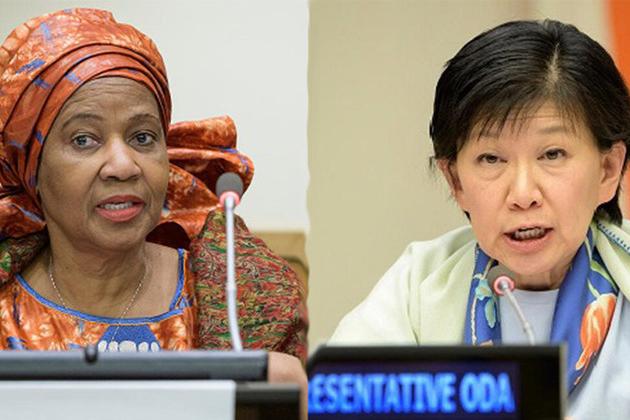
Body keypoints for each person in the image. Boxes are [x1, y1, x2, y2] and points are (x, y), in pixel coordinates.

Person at [331, 19, 630, 418]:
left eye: (552, 154)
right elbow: (339, 399)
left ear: (608, 170)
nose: (523, 194)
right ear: (455, 180)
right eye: (491, 159)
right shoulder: (418, 286)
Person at [0, 8, 307, 385]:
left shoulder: (236, 300)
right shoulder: (6, 311)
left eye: (142, 137)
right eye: (84, 140)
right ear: (30, 168)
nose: (123, 165)